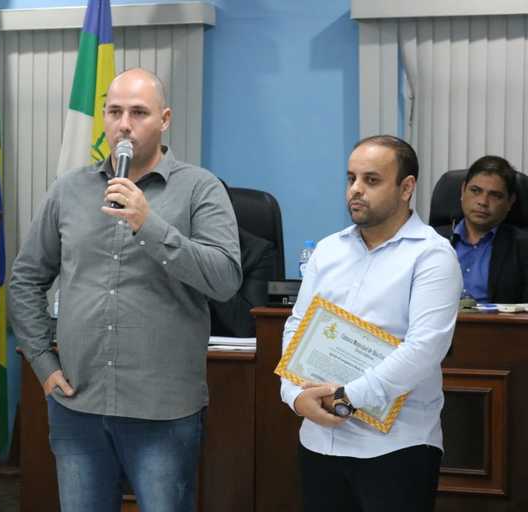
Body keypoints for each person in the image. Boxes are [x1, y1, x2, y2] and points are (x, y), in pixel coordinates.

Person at [9, 68, 241, 512]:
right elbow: (25, 278)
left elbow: (225, 279)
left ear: (165, 119)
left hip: (163, 411)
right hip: (78, 404)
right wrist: (42, 361)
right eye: (114, 112)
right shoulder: (69, 189)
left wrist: (147, 223)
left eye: (138, 113)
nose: (124, 125)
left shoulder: (200, 188)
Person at [280, 135, 462, 512]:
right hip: (320, 441)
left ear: (406, 188)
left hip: (397, 447)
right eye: (351, 179)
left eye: (371, 180)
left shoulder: (432, 255)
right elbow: (297, 326)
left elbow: (425, 349)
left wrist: (347, 399)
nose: (356, 190)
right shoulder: (328, 250)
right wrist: (294, 395)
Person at [435, 155, 528, 303]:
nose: (483, 202)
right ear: (463, 190)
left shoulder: (523, 248)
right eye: (475, 190)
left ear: (510, 201)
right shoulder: (431, 241)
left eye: (495, 195)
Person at [209, 182, 278, 337]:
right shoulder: (170, 248)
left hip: (226, 348)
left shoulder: (258, 252)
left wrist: (207, 268)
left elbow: (250, 327)